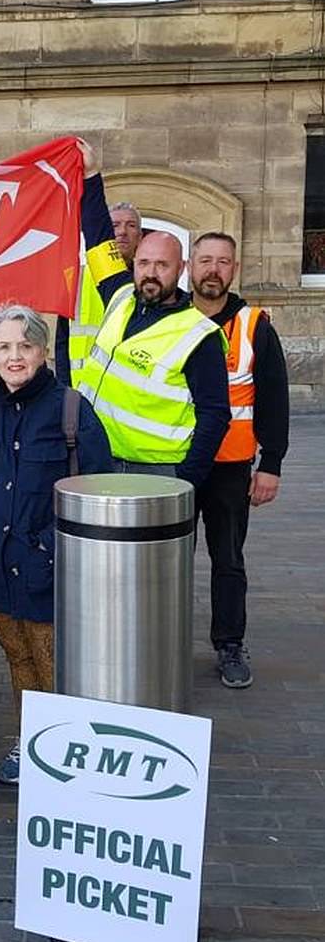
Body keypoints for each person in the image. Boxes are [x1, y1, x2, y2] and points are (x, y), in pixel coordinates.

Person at [0, 305, 113, 785]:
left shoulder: (71, 409)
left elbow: (96, 491)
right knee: (18, 659)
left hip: (48, 569)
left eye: (25, 346)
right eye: (5, 347)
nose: (15, 357)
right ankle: (31, 739)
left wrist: (53, 548)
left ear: (43, 350)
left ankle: (67, 751)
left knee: (54, 665)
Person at [76, 140, 231, 488]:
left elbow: (215, 415)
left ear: (181, 269)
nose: (150, 272)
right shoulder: (119, 296)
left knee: (157, 546)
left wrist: (187, 478)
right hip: (99, 458)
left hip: (157, 471)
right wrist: (90, 174)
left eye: (162, 265)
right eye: (144, 263)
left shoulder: (198, 335)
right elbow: (99, 237)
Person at [190, 232, 289, 688]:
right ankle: (163, 643)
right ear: (190, 265)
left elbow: (274, 397)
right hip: (177, 464)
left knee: (227, 559)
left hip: (231, 466)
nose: (213, 269)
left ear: (234, 269)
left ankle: (229, 644)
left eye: (223, 262)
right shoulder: (170, 320)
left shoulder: (254, 325)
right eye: (205, 260)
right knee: (167, 561)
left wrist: (271, 464)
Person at [55, 203, 142, 387]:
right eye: (115, 225)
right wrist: (65, 391)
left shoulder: (150, 284)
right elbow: (62, 342)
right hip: (83, 391)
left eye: (131, 225)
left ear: (140, 237)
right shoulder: (75, 279)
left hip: (129, 394)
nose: (122, 231)